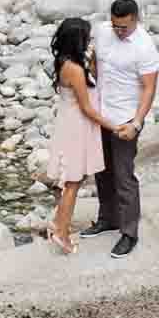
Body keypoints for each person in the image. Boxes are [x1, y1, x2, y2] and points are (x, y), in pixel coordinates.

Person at [83, 0, 159, 256]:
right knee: (102, 170)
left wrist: (137, 123)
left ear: (136, 20)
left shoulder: (144, 46)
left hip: (126, 117)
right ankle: (108, 219)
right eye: (116, 25)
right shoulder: (103, 31)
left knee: (124, 175)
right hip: (101, 113)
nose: (118, 31)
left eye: (124, 27)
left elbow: (149, 88)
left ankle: (129, 233)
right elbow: (95, 57)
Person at [43, 17, 115, 255]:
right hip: (77, 126)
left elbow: (91, 79)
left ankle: (57, 225)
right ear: (78, 40)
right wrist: (112, 126)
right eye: (87, 37)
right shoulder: (73, 68)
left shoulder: (65, 61)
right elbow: (86, 107)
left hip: (70, 122)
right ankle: (61, 233)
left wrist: (92, 59)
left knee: (74, 180)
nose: (90, 40)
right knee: (73, 183)